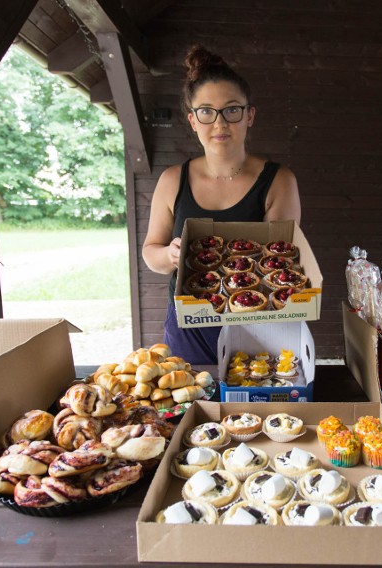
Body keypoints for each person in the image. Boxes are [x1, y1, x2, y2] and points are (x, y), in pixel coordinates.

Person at [142, 45, 301, 364]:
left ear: (249, 115)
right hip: (190, 324)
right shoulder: (173, 180)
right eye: (206, 111)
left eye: (232, 110)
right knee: (193, 407)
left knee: (253, 410)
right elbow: (152, 254)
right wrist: (171, 255)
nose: (220, 123)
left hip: (256, 320)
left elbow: (282, 262)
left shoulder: (278, 180)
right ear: (192, 120)